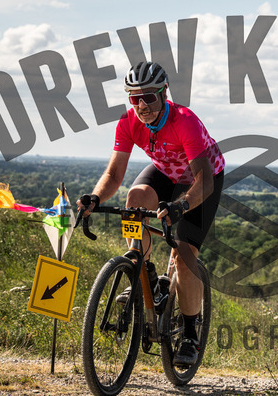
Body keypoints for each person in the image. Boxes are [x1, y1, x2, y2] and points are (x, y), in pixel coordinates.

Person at [77, 61, 225, 366]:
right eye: (134, 98)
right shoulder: (128, 122)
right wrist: (95, 197)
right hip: (165, 174)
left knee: (183, 257)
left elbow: (204, 181)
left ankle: (190, 334)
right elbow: (114, 174)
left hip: (201, 181)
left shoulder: (185, 121)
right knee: (135, 199)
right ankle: (144, 272)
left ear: (164, 93)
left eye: (148, 97)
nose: (142, 105)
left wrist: (181, 206)